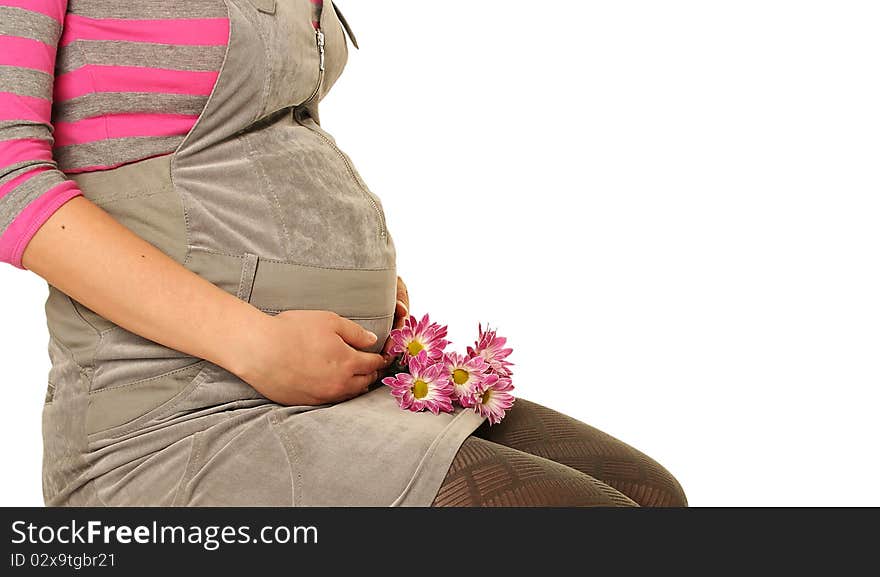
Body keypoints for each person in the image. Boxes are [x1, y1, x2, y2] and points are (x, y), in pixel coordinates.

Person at [0, 0, 687, 507]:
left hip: (335, 383)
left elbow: (263, 133)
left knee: (651, 497)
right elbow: (8, 179)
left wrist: (348, 267)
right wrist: (254, 340)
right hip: (175, 415)